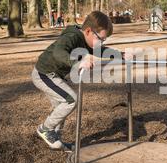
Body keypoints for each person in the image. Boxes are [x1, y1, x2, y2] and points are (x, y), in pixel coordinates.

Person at [31, 11, 127, 152]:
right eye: (101, 39)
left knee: (60, 108)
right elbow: (59, 52)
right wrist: (77, 63)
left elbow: (100, 51)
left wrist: (120, 55)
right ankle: (45, 129)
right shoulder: (72, 36)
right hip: (44, 74)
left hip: (55, 76)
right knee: (71, 100)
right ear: (88, 31)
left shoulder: (87, 40)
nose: (101, 43)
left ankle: (55, 139)